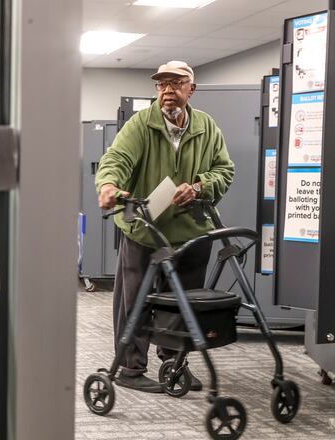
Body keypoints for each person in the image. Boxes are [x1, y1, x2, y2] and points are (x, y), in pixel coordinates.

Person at [94, 60, 235, 393]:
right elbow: (117, 159)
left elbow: (224, 170)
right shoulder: (141, 124)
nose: (167, 90)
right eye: (161, 84)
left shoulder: (207, 126)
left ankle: (174, 365)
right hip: (146, 229)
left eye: (176, 83)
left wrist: (200, 186)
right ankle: (129, 367)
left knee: (181, 302)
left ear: (191, 88)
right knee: (136, 300)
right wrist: (108, 185)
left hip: (191, 232)